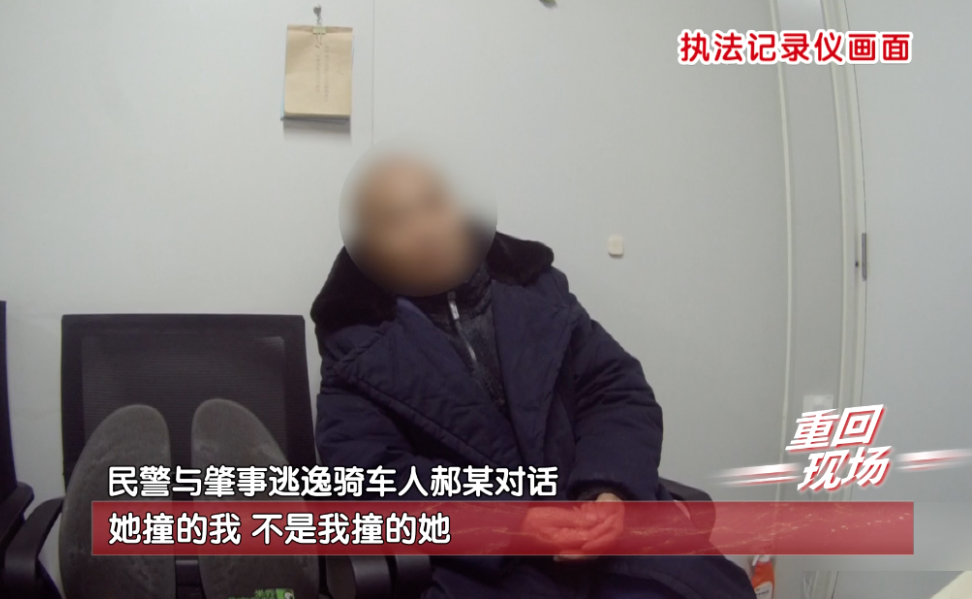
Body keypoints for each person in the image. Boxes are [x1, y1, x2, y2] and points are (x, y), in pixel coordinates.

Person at [310, 151, 754, 599]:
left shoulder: (536, 288)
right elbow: (368, 475)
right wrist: (514, 523)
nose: (427, 229)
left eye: (435, 203)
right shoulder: (354, 344)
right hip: (489, 569)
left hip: (609, 540)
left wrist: (610, 489)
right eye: (397, 220)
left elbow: (614, 392)